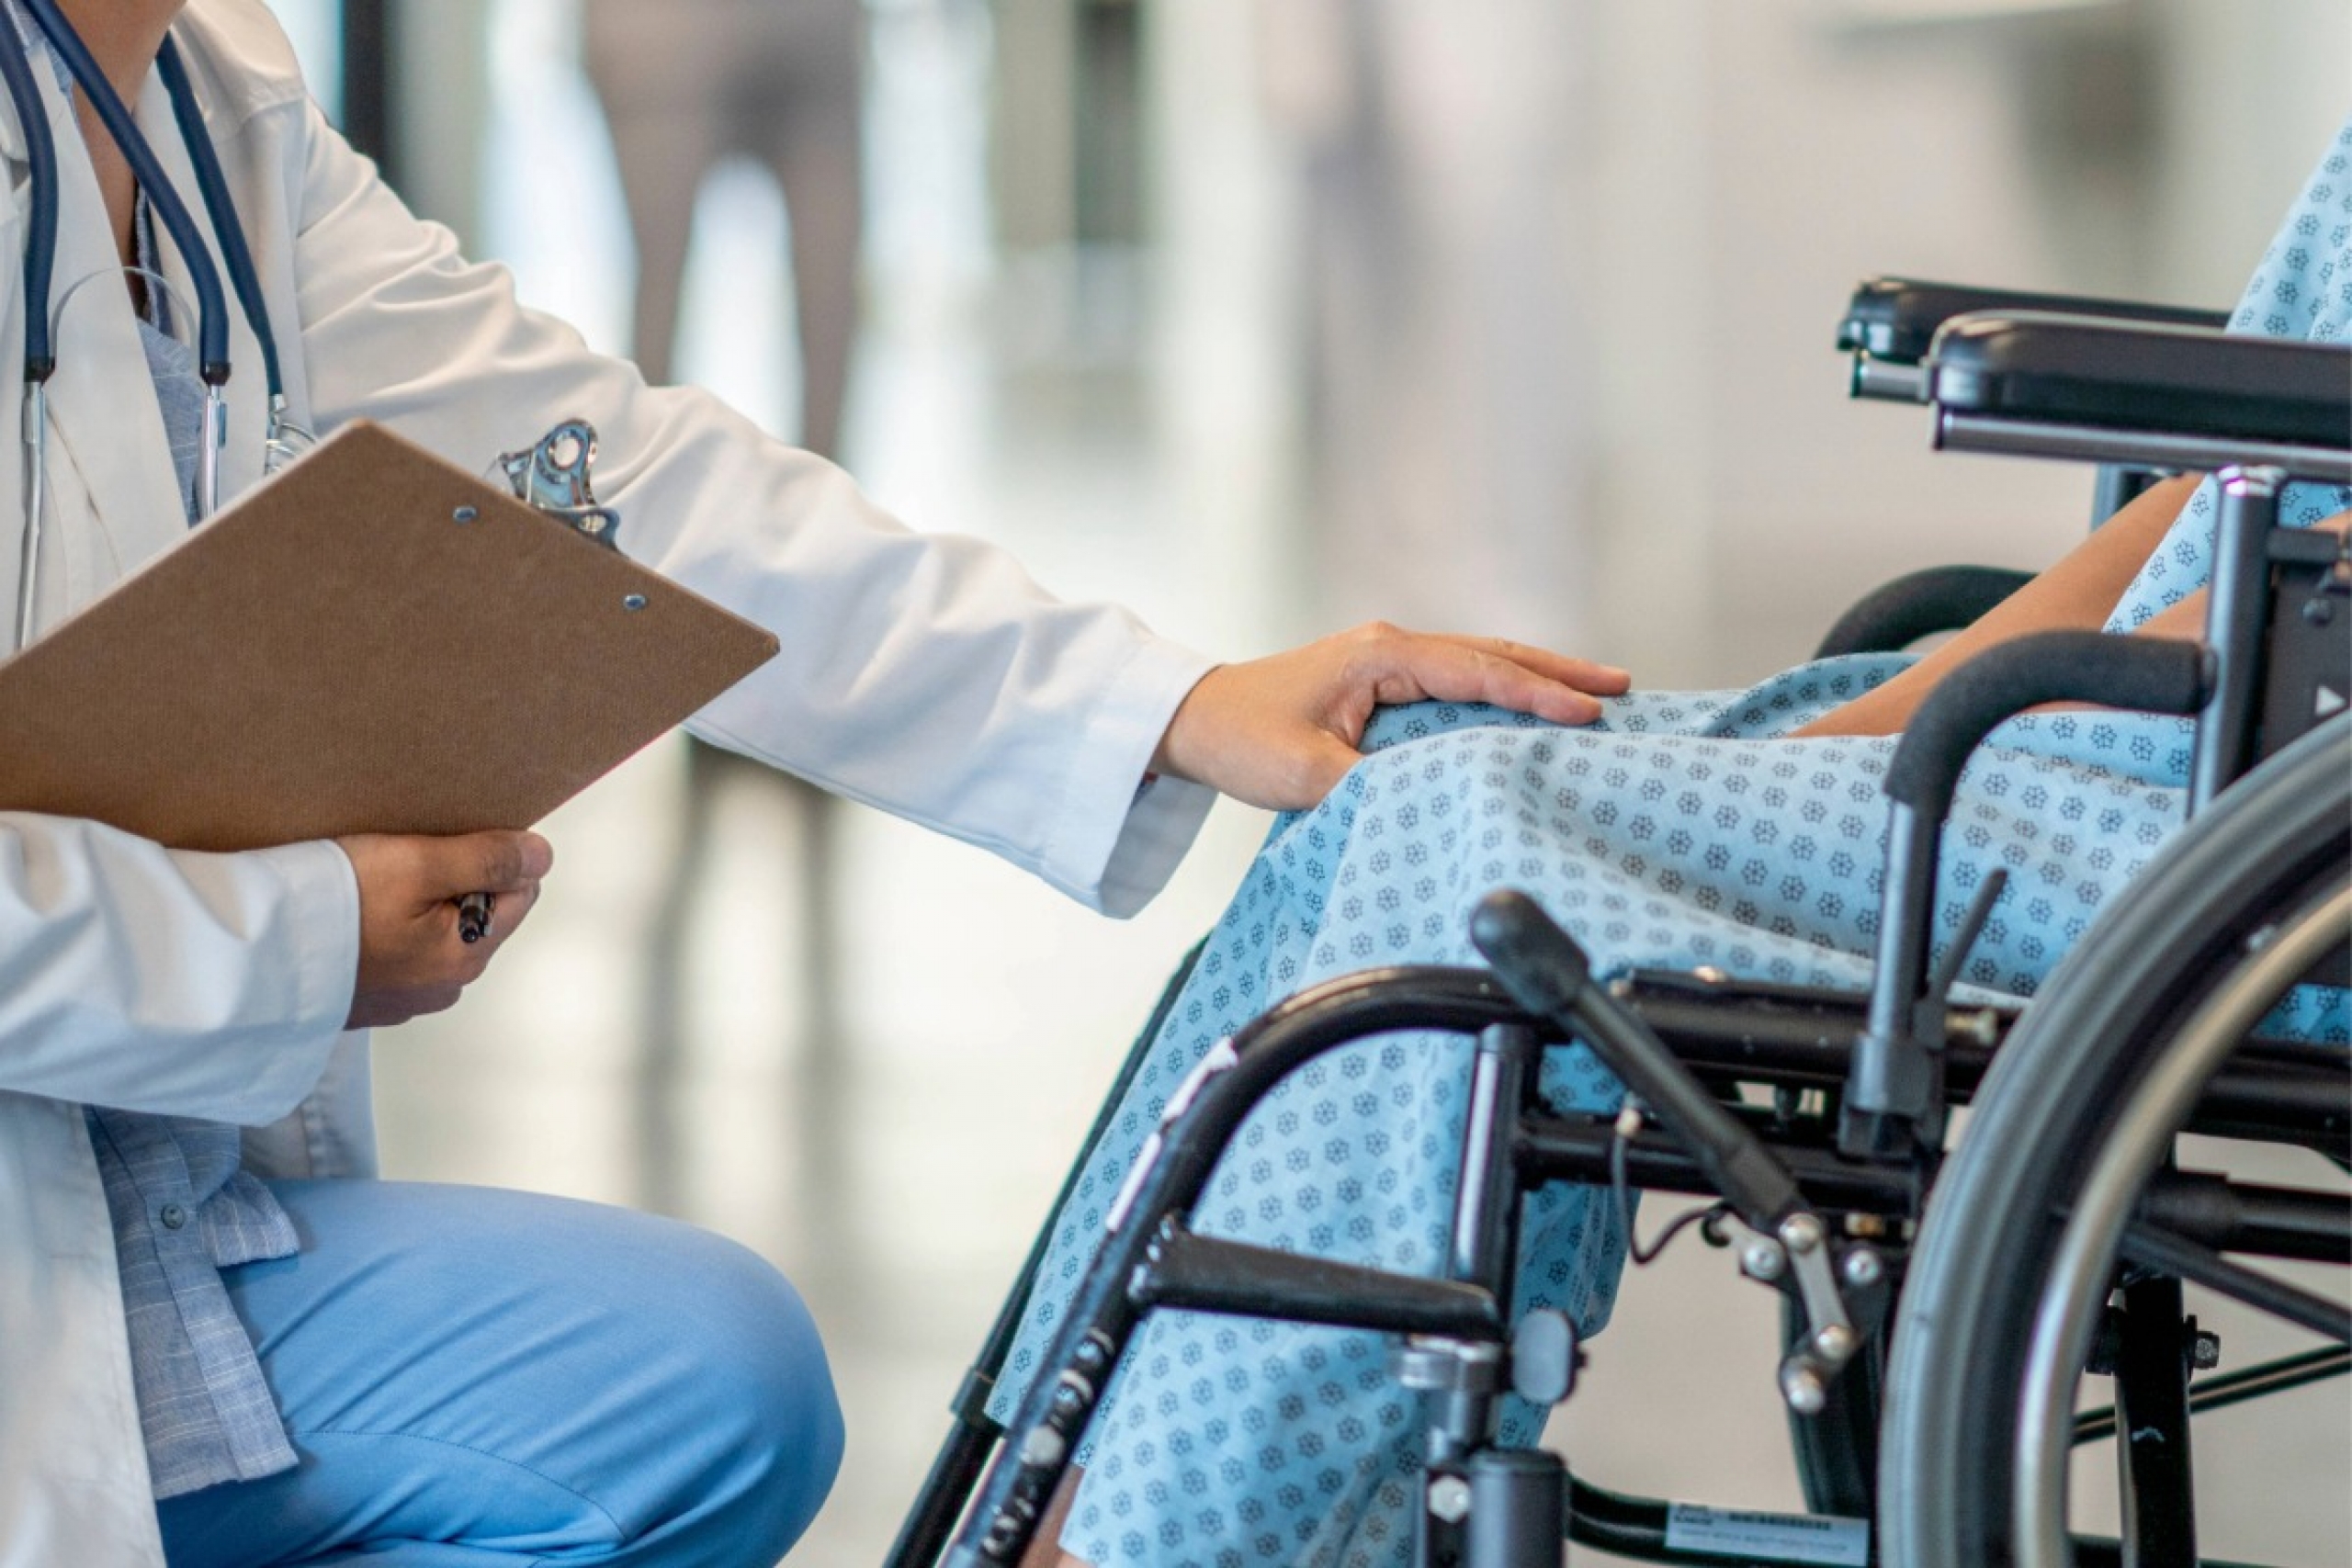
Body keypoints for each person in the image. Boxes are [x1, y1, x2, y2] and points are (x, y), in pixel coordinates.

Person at [0, 4, 1636, 1566]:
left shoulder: (216, 109)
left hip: (140, 1197)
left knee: (714, 1385)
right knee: (702, 1401)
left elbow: (614, 480)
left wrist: (1171, 704)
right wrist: (292, 939)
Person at [998, 118, 2352, 1568]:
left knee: (1480, 833)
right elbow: (2213, 493)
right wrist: (1863, 737)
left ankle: (1155, 1546)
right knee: (1414, 752)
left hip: (2236, 817)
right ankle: (1043, 1492)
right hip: (2149, 735)